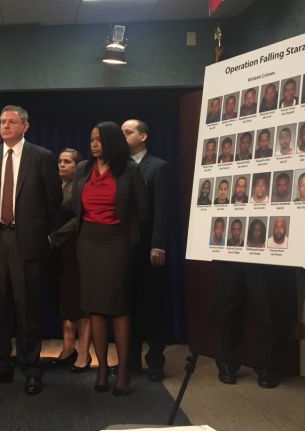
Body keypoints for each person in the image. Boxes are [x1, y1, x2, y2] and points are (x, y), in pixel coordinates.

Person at [0, 105, 61, 396]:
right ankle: (1, 365)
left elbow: (54, 200)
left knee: (28, 309)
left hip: (27, 242)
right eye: (2, 122)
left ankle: (31, 368)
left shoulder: (41, 156)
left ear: (26, 126)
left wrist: (37, 230)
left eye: (12, 122)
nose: (6, 126)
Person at [68, 121, 148, 396]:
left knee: (119, 307)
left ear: (112, 142)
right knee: (95, 308)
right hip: (87, 242)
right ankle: (102, 368)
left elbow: (142, 209)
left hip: (117, 242)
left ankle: (123, 372)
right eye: (91, 139)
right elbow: (74, 207)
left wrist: (128, 240)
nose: (93, 144)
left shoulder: (129, 169)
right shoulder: (82, 169)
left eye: (99, 140)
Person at [122, 119, 170, 382]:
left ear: (143, 136)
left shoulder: (159, 167)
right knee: (128, 306)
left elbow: (163, 209)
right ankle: (130, 360)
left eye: (127, 132)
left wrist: (159, 244)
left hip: (149, 248)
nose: (123, 136)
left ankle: (155, 362)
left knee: (153, 306)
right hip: (124, 249)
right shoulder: (119, 168)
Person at [48, 148, 92, 372]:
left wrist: (54, 238)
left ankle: (84, 354)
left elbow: (79, 218)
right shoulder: (55, 186)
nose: (62, 165)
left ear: (78, 166)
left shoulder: (82, 187)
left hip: (74, 250)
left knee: (79, 304)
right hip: (56, 253)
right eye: (60, 161)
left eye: (67, 162)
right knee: (65, 303)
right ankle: (67, 349)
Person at [215, 259, 287, 388]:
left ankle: (267, 367)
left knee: (266, 309)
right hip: (231, 253)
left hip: (262, 256)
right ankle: (227, 363)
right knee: (229, 306)